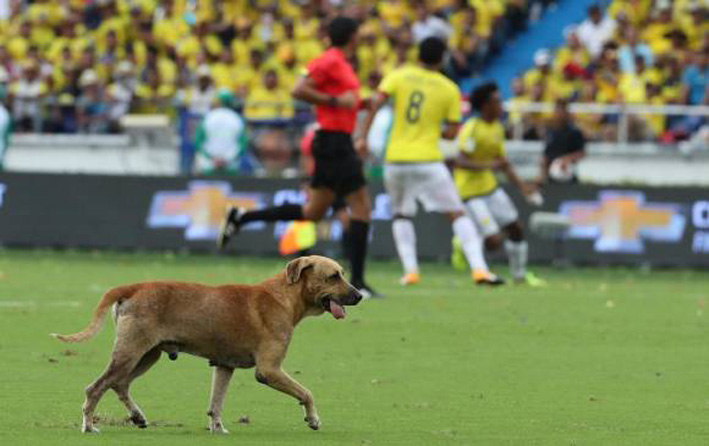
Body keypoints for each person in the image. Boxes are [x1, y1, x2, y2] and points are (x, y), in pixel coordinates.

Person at [217, 16, 378, 297]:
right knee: (361, 206)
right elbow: (298, 89)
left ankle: (241, 217)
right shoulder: (329, 60)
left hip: (335, 142)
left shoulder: (340, 63)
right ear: (352, 36)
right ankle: (361, 282)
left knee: (312, 213)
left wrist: (359, 103)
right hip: (333, 142)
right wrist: (337, 101)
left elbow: (343, 100)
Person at [356, 36, 504, 287]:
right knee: (457, 213)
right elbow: (452, 132)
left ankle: (411, 272)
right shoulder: (449, 88)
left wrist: (362, 137)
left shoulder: (399, 75)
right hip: (428, 160)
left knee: (401, 215)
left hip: (396, 159)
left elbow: (374, 104)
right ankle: (480, 270)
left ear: (418, 55)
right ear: (442, 58)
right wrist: (434, 127)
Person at [453, 82, 544, 286]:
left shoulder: (496, 128)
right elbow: (459, 161)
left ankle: (520, 276)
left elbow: (503, 163)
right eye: (497, 101)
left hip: (490, 188)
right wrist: (489, 165)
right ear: (485, 105)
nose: (501, 105)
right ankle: (461, 243)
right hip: (470, 193)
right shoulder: (472, 129)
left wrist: (523, 188)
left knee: (516, 228)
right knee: (494, 242)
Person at [193, 89, 249, 176]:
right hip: (231, 166)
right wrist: (227, 160)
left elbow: (197, 142)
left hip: (208, 166)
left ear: (218, 102)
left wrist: (212, 159)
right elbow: (243, 144)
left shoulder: (207, 117)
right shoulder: (238, 119)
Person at [538, 99, 586, 184]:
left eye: (561, 111)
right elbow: (546, 154)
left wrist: (566, 159)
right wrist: (542, 175)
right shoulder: (550, 132)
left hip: (568, 175)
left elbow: (581, 153)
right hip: (551, 177)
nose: (559, 114)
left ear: (566, 113)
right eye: (557, 111)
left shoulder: (574, 132)